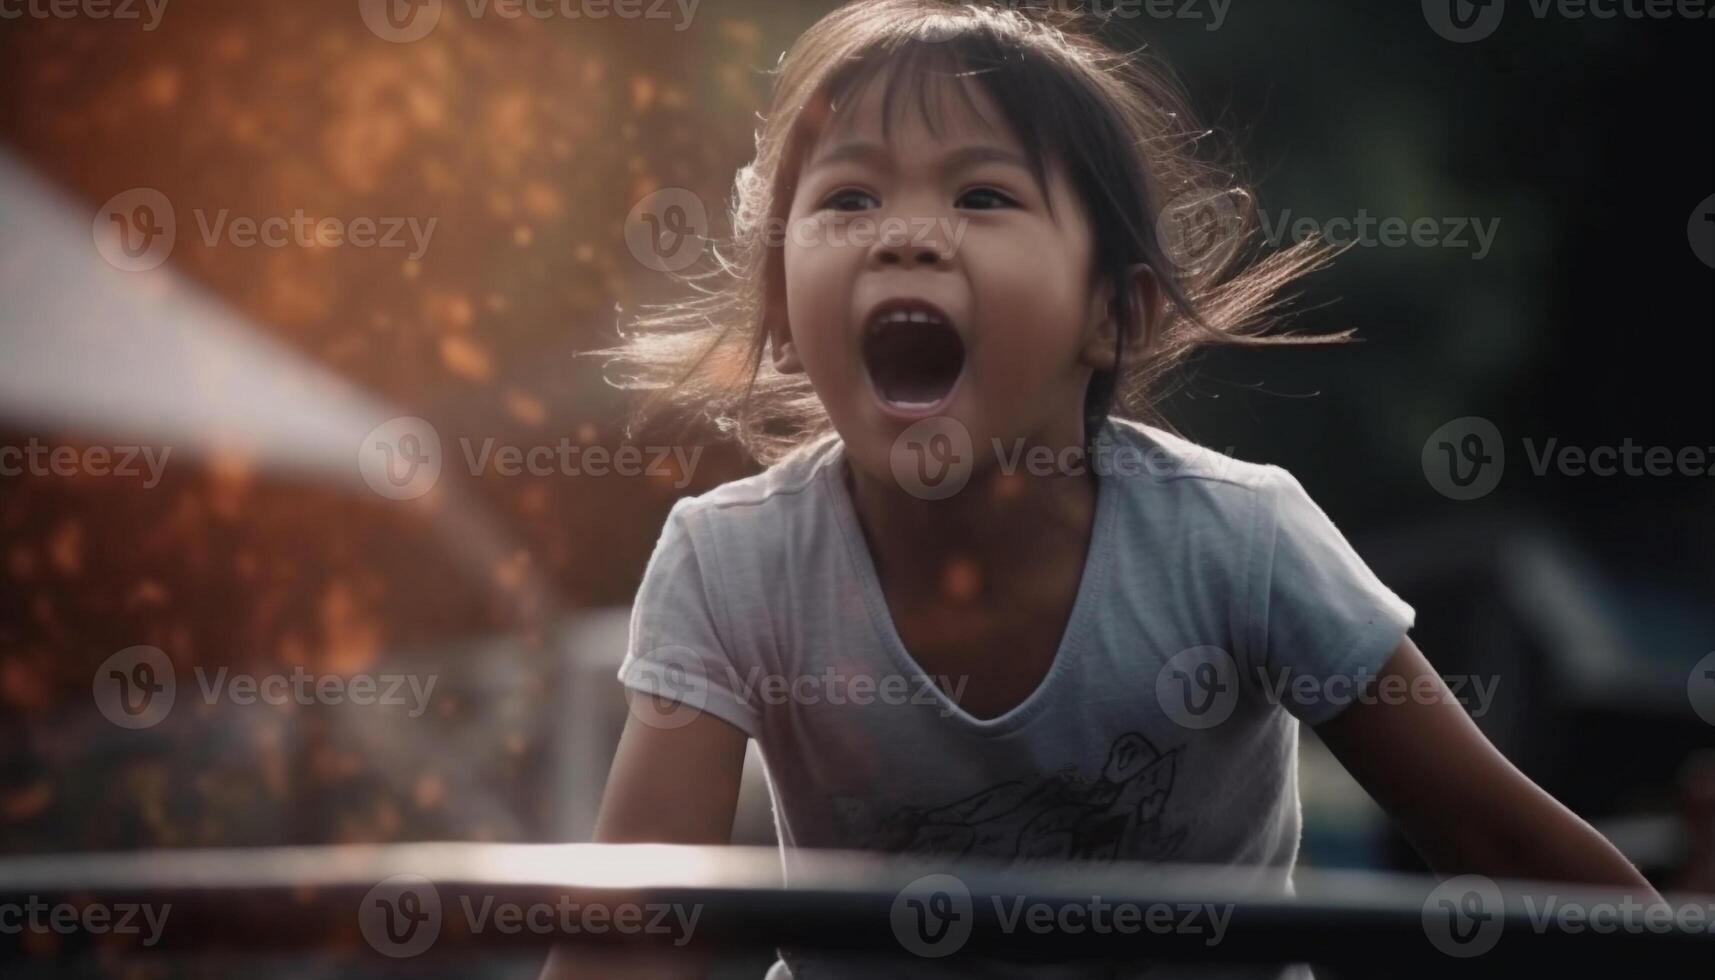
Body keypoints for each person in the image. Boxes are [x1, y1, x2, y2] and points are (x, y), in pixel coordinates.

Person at [544, 1, 1658, 976]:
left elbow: (1502, 848)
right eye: (847, 198)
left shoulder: (1238, 538)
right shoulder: (729, 559)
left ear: (1112, 314)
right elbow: (635, 942)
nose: (906, 237)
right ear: (784, 313)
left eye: (981, 195)